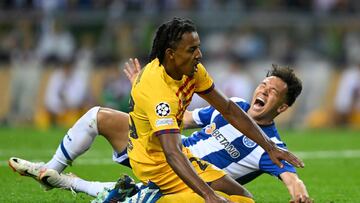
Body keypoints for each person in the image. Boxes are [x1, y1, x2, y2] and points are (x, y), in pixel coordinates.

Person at [10, 18, 304, 203]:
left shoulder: (191, 72)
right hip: (155, 158)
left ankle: (58, 176)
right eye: (192, 50)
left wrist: (269, 146)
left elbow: (226, 108)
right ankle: (136, 195)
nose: (199, 55)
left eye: (198, 47)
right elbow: (171, 151)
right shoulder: (159, 92)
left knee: (244, 199)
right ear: (171, 54)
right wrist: (208, 194)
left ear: (283, 106)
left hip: (172, 149)